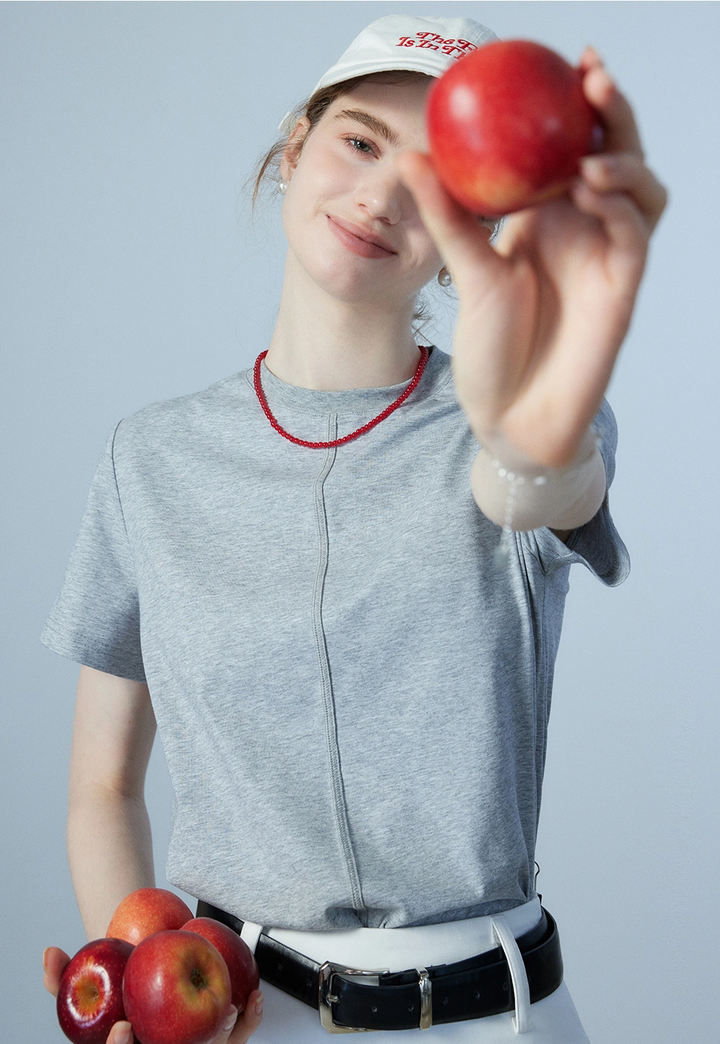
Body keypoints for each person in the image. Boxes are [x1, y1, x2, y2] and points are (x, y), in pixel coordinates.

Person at [41, 14, 666, 1044]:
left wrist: (531, 429)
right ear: (297, 148)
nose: (380, 197)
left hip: (499, 1020)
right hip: (243, 1017)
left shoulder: (520, 413)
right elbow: (102, 784)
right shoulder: (148, 462)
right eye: (362, 141)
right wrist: (140, 978)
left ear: (475, 228)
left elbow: (537, 480)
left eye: (434, 183)